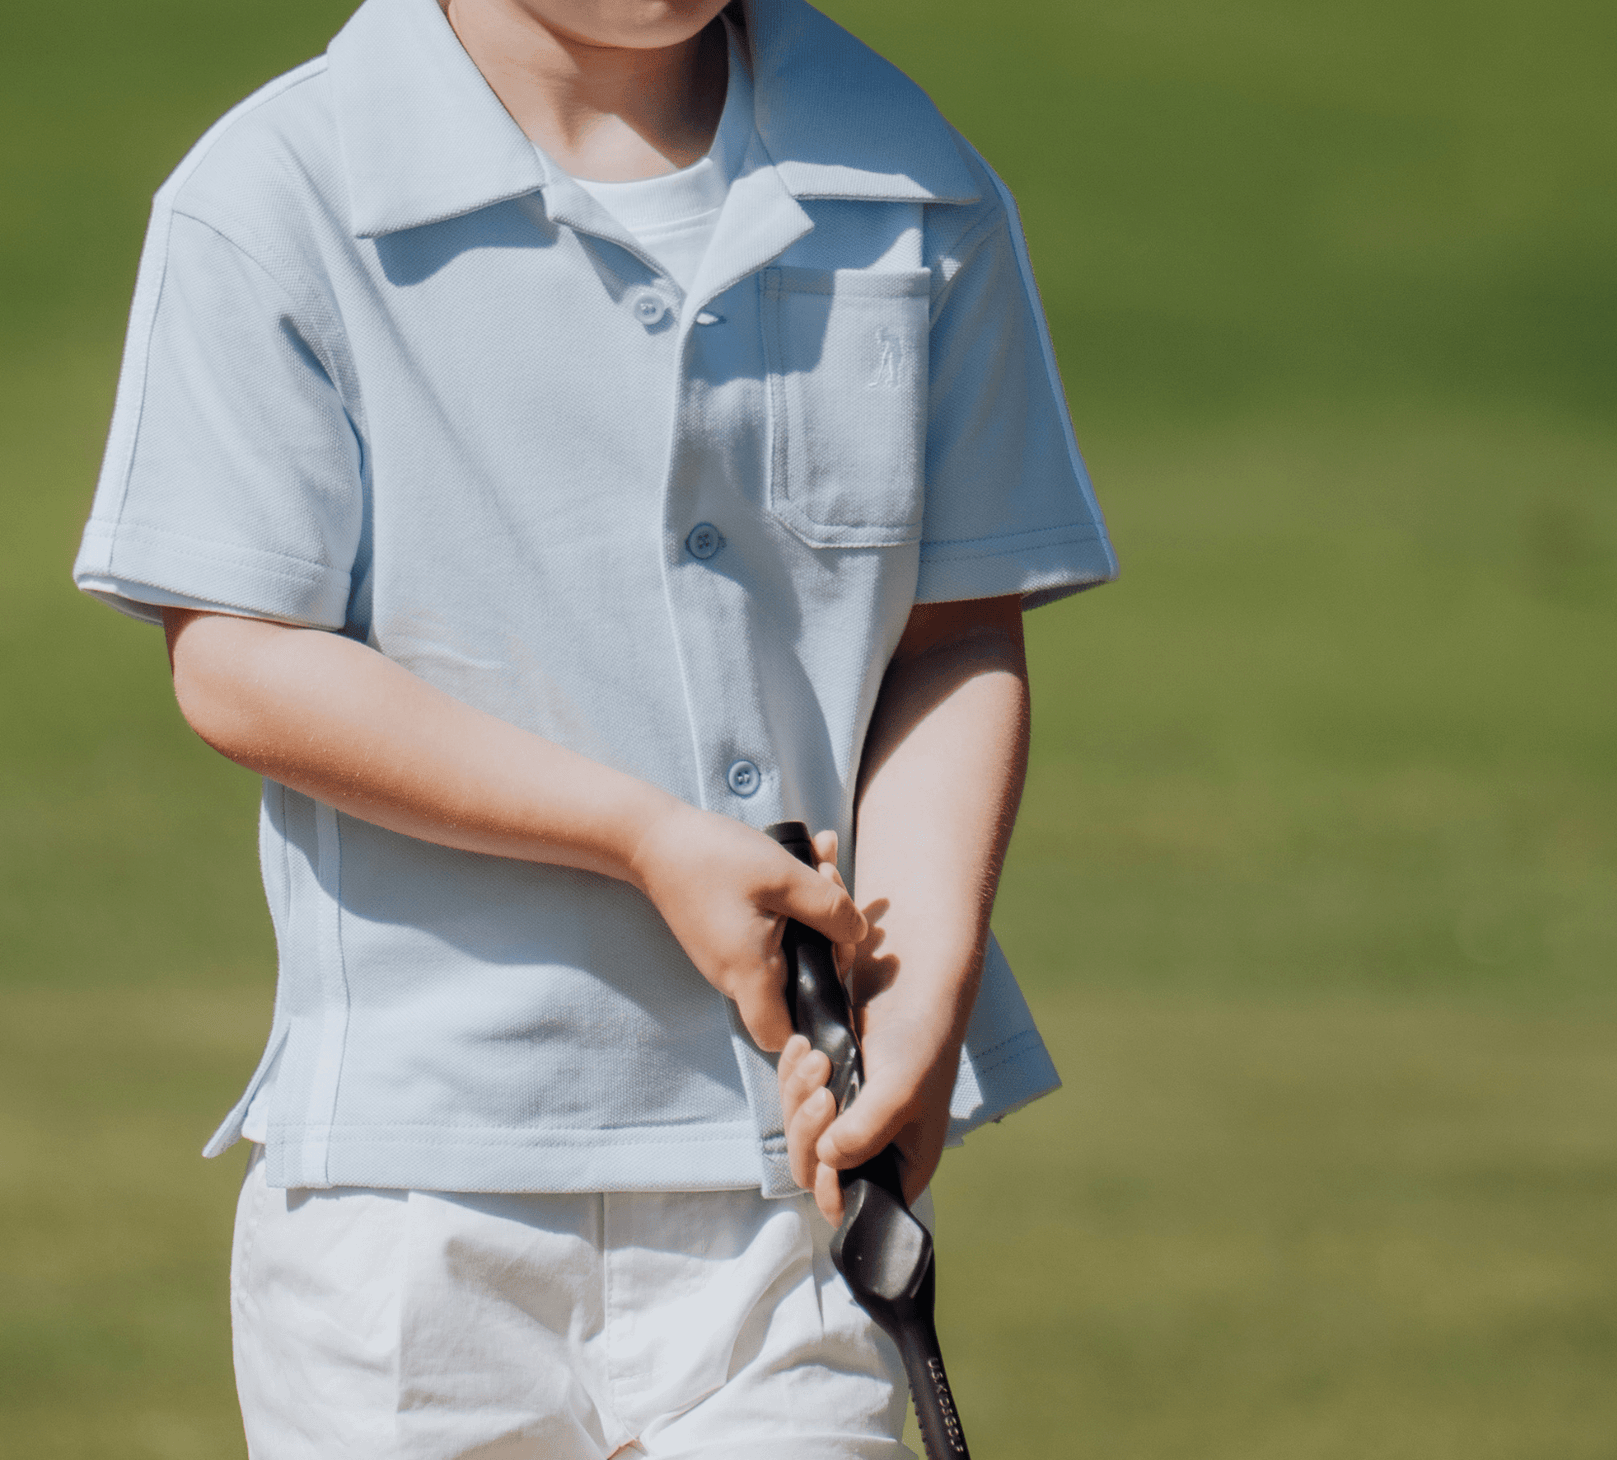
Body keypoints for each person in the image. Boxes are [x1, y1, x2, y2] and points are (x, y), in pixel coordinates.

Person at [72, 0, 1115, 1453]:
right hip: (412, 1201)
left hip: (787, 1188)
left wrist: (925, 989)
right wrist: (640, 837)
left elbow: (949, 638)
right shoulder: (278, 190)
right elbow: (240, 658)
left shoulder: (910, 180)